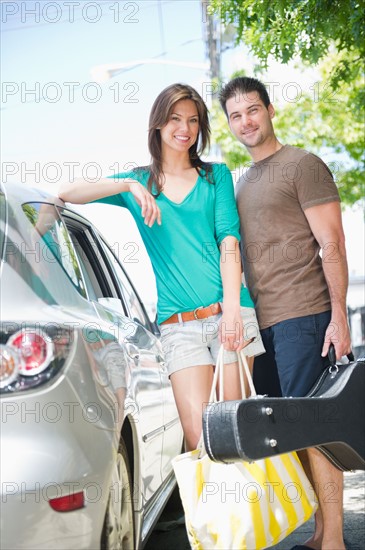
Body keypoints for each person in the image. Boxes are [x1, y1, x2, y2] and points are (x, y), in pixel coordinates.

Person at [59, 83, 265, 452]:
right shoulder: (138, 182)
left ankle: (251, 511)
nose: (184, 128)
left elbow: (229, 242)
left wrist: (233, 311)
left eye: (193, 120)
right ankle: (216, 511)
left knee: (234, 437)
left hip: (229, 314)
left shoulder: (215, 176)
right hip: (178, 327)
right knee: (201, 441)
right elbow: (65, 193)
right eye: (174, 119)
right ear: (158, 124)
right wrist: (127, 185)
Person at [219, 76, 352, 550]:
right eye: (235, 115)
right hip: (265, 326)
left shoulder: (303, 165)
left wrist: (339, 317)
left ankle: (333, 539)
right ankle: (320, 532)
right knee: (286, 434)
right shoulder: (242, 182)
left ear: (270, 109)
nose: (246, 121)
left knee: (313, 431)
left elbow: (332, 244)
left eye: (253, 110)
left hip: (305, 316)